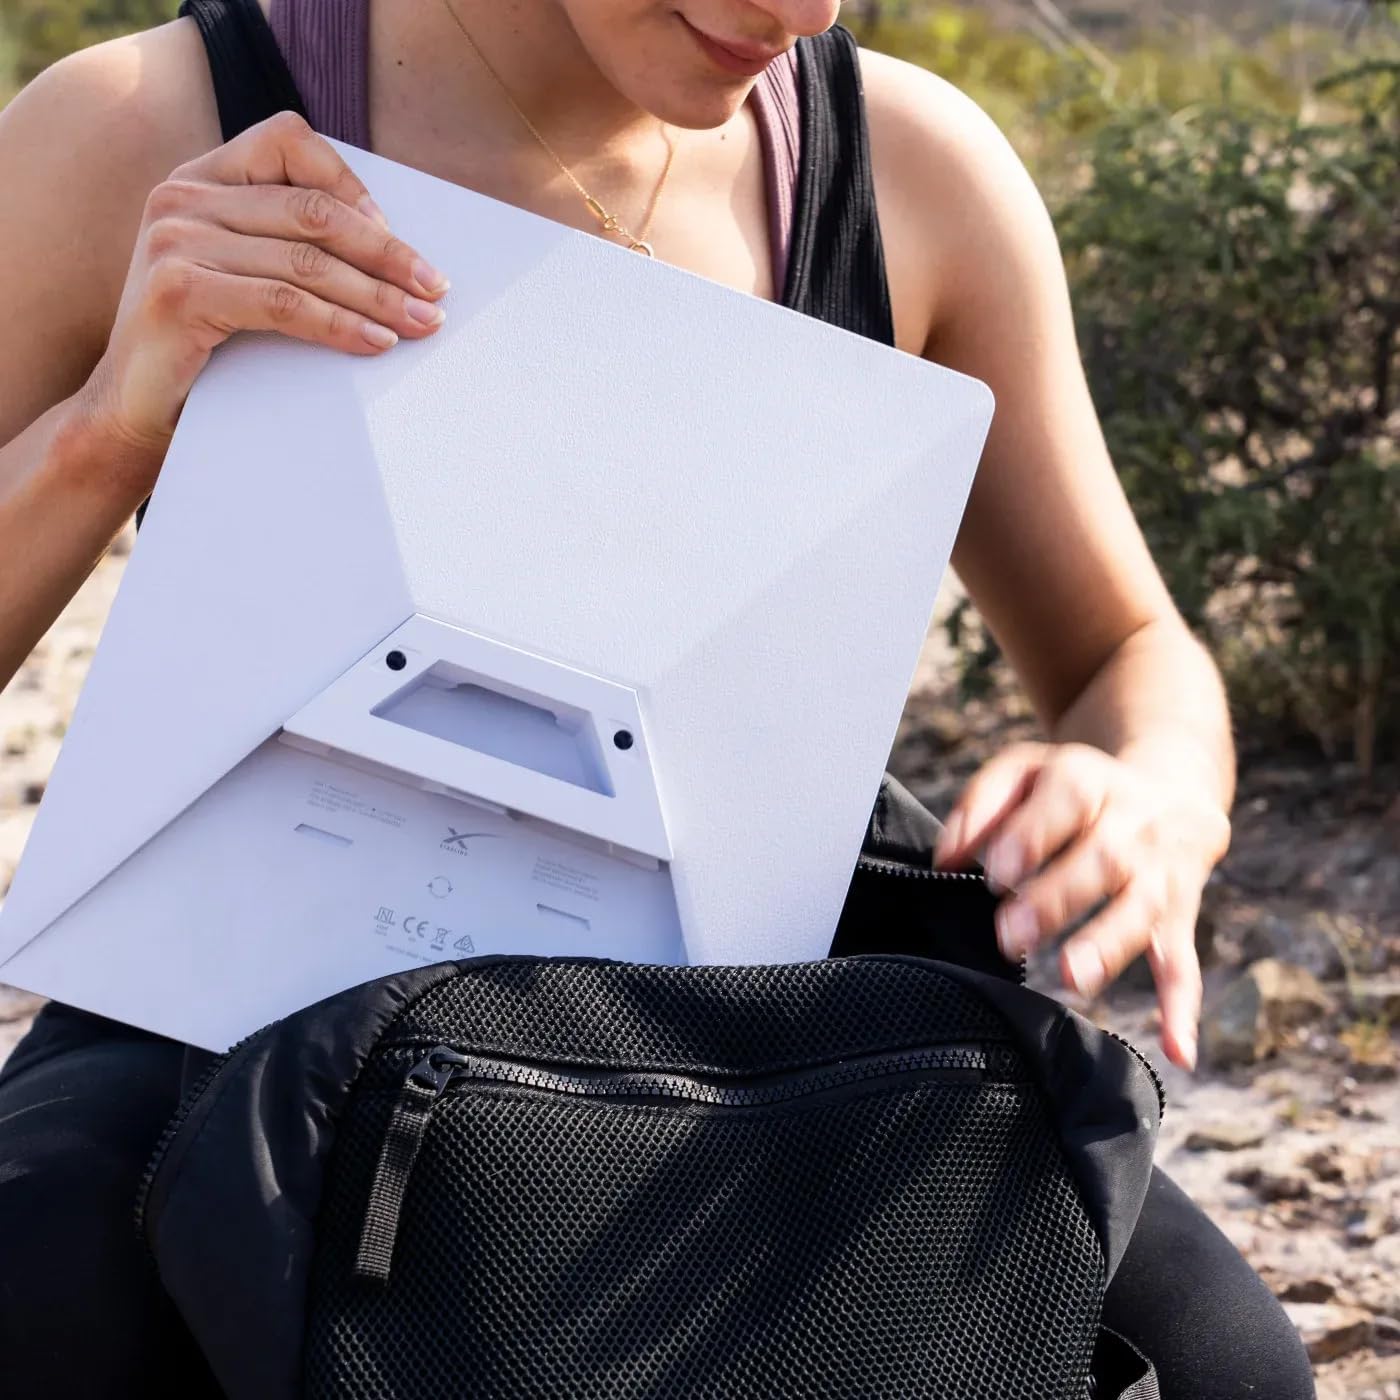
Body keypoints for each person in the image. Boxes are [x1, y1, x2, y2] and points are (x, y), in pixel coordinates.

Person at [0, 1, 1314, 1396]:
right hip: (217, 1009)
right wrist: (103, 430)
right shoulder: (136, 127)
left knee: (1228, 1374)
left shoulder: (910, 172)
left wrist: (1158, 790)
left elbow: (1126, 651)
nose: (803, 11)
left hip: (742, 1042)